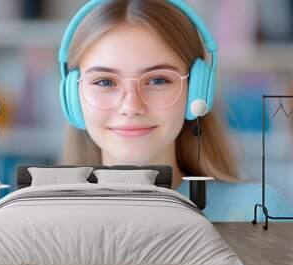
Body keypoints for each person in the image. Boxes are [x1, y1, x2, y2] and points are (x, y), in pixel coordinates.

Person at [58, 0, 291, 222]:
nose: (131, 107)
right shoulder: (38, 219)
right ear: (73, 97)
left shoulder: (258, 212)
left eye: (158, 80)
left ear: (197, 91)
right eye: (105, 82)